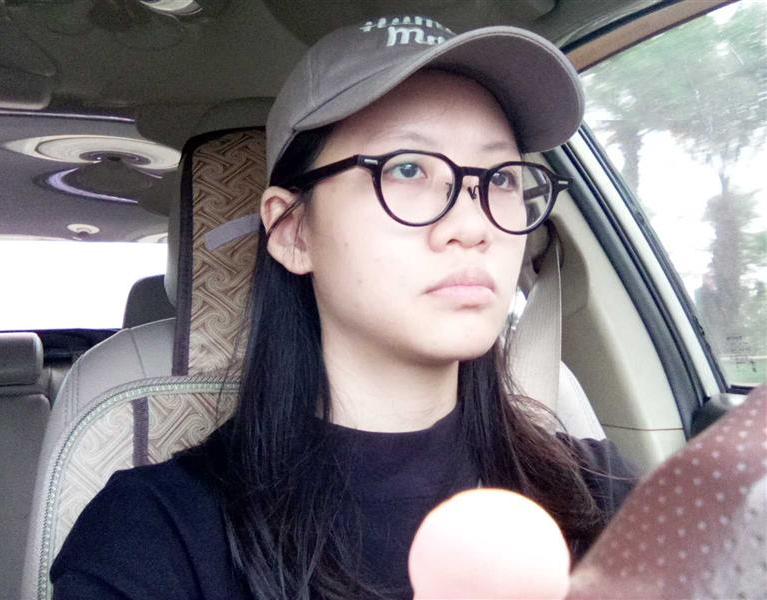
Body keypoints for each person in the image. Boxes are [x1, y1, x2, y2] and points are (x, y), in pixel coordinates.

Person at [51, 15, 638, 600]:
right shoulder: (152, 537)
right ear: (293, 231)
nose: (473, 223)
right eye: (407, 168)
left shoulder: (599, 495)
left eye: (501, 178)